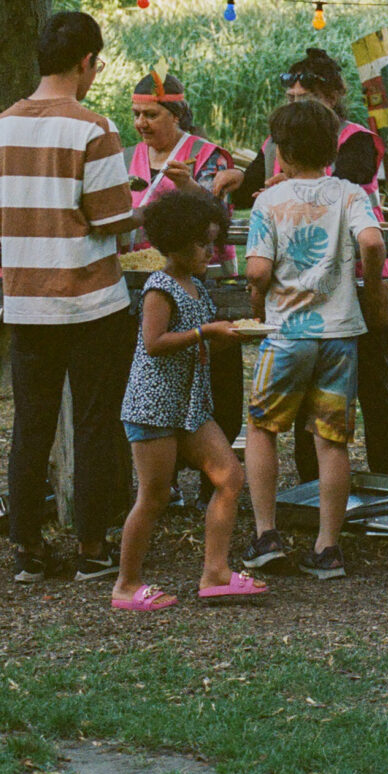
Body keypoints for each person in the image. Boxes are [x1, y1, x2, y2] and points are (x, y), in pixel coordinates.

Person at [0, 11, 141, 585]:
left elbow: (4, 214)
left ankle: (26, 544)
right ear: (86, 62)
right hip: (89, 300)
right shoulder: (92, 128)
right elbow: (112, 221)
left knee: (32, 423)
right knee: (97, 423)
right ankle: (93, 546)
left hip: (25, 300)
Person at [235, 47, 388, 483]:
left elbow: (339, 182)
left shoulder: (357, 140)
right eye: (291, 97)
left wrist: (286, 185)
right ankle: (313, 487)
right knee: (314, 406)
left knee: (374, 386)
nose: (297, 105)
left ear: (333, 96)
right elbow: (247, 188)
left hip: (354, 285)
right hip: (306, 290)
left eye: (306, 96)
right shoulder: (278, 141)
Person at [241, 98, 388, 581]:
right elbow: (372, 242)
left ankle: (266, 534)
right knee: (332, 440)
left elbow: (259, 269)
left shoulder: (269, 201)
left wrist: (254, 297)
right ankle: (328, 546)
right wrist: (372, 294)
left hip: (286, 334)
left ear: (280, 152)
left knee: (263, 429)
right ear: (332, 147)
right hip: (339, 336)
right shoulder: (349, 194)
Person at [112, 190, 264, 611]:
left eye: (213, 242)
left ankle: (216, 572)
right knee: (155, 495)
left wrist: (231, 336)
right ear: (176, 243)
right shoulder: (160, 287)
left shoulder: (196, 286)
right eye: (202, 244)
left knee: (229, 478)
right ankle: (126, 584)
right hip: (154, 408)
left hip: (189, 407)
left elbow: (199, 347)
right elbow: (155, 342)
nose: (210, 252)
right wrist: (205, 333)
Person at [128, 66, 244, 505]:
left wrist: (191, 187)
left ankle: (210, 476)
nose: (141, 124)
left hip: (204, 281)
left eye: (151, 115)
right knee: (160, 378)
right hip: (148, 280)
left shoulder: (210, 156)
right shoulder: (128, 158)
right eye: (137, 114)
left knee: (215, 377)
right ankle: (164, 475)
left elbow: (222, 215)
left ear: (176, 115)